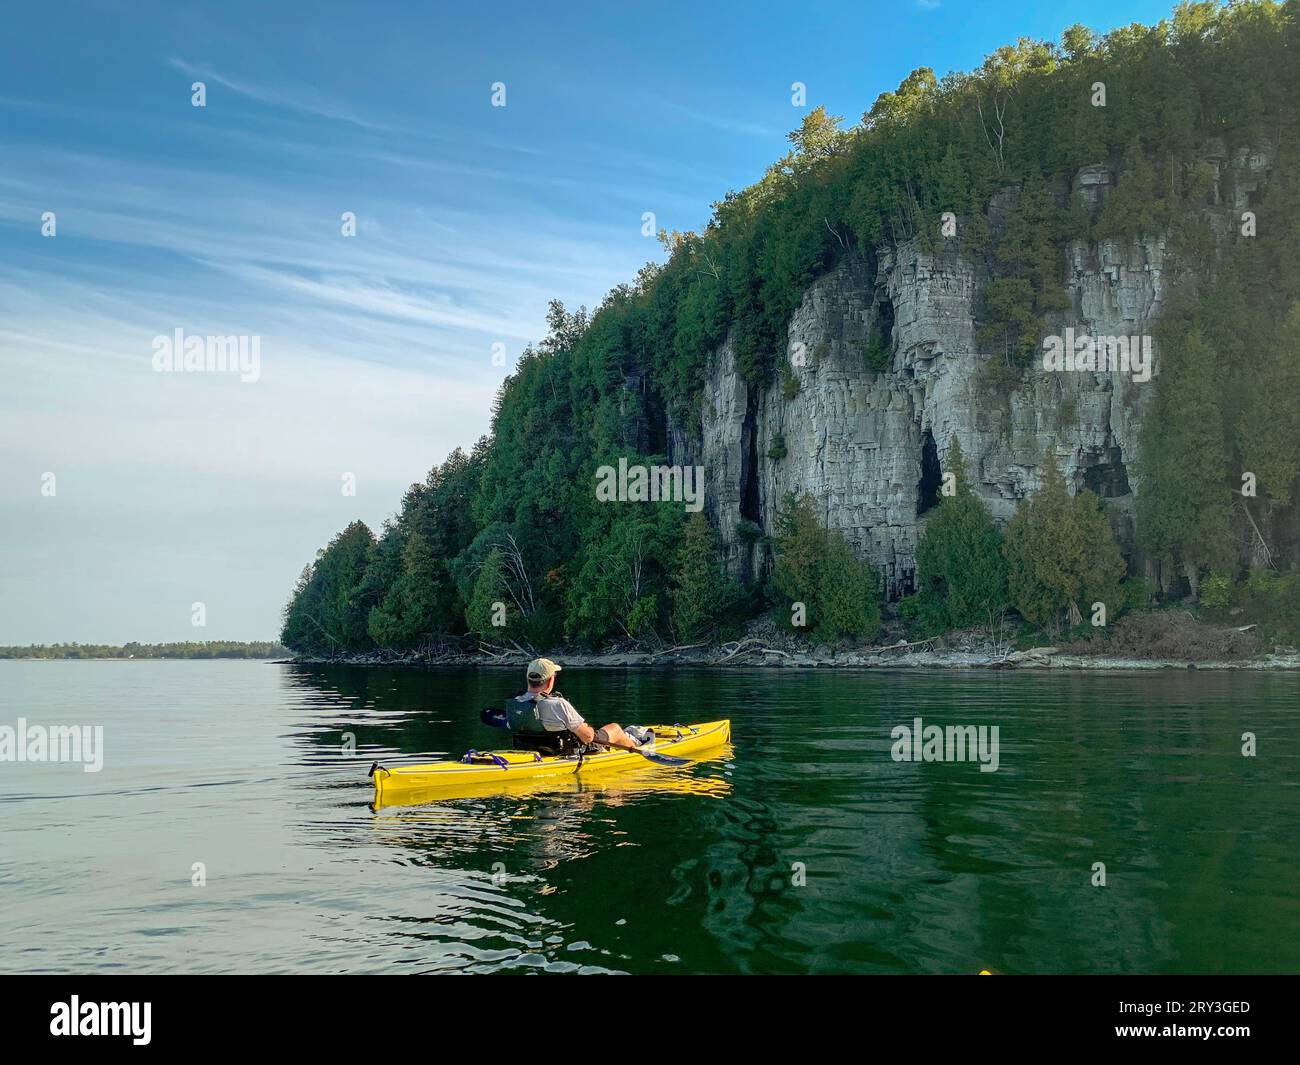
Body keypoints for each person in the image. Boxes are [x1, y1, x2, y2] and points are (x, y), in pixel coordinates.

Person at [504, 658, 638, 756]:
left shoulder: (514, 702)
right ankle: (636, 749)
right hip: (565, 751)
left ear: (528, 679)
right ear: (551, 680)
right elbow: (587, 738)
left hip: (531, 750)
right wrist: (590, 730)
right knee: (614, 728)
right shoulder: (557, 703)